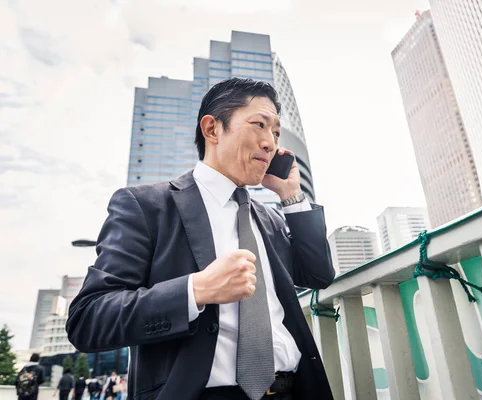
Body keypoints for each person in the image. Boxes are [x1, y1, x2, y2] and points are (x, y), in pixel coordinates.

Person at [66, 77, 335, 399]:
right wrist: (195, 290)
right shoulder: (147, 206)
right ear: (212, 129)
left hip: (291, 390)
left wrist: (291, 196)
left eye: (276, 133)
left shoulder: (270, 218)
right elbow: (89, 319)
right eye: (259, 125)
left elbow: (318, 275)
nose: (270, 143)